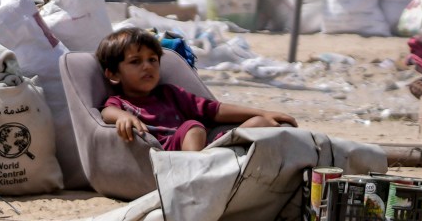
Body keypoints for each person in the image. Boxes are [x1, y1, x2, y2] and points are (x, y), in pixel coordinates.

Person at [95, 28, 293, 152]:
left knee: (262, 123)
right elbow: (106, 111)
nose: (147, 66)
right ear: (114, 74)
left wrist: (264, 113)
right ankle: (197, 171)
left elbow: (214, 110)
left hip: (206, 149)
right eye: (135, 62)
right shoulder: (122, 102)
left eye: (152, 60)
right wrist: (122, 117)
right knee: (192, 126)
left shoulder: (170, 94)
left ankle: (208, 164)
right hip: (170, 155)